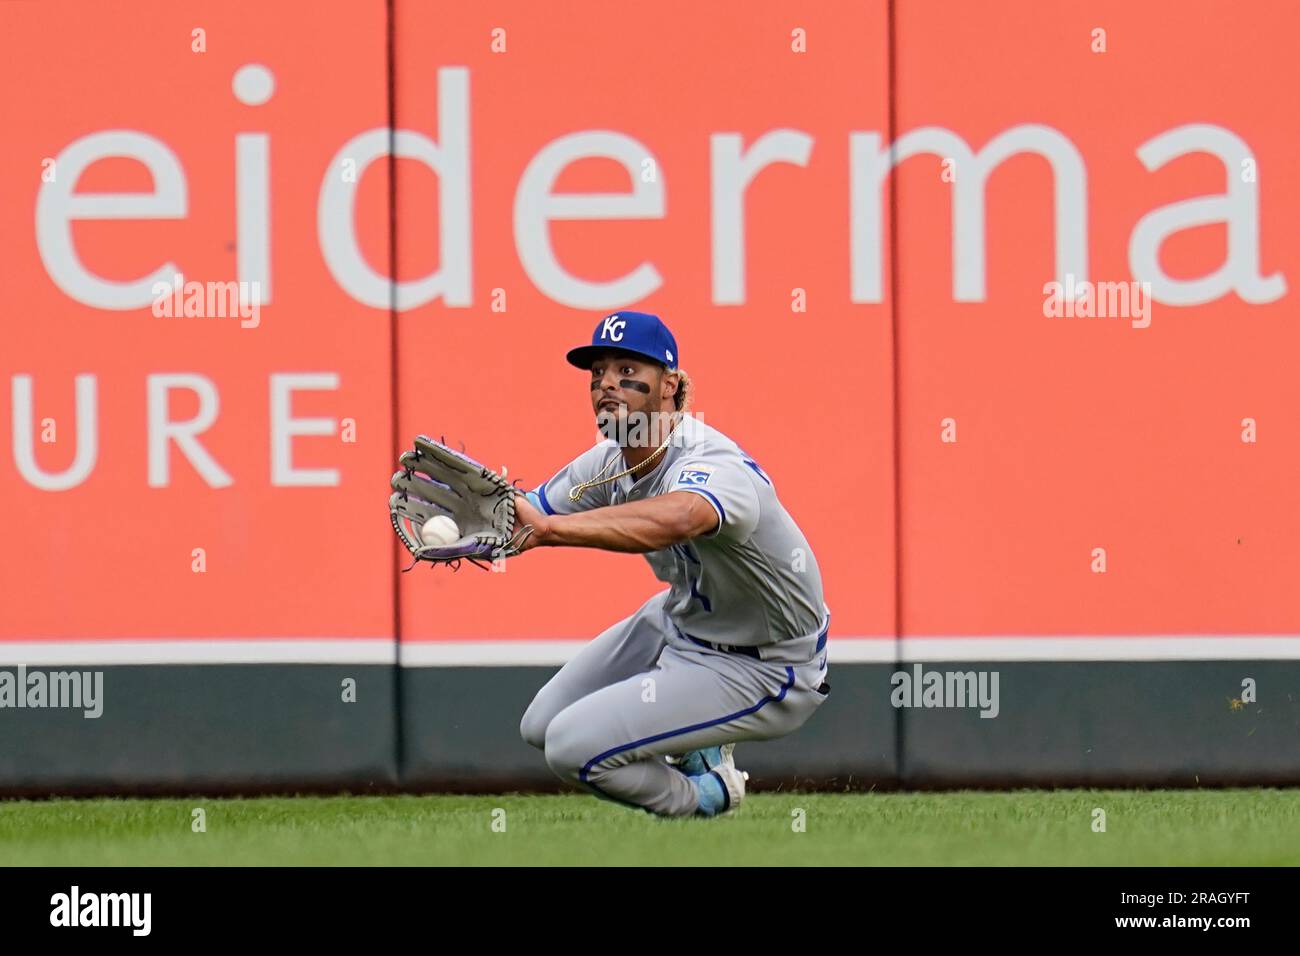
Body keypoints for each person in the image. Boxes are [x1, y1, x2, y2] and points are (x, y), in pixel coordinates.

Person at [512, 310, 831, 817]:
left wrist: (550, 532)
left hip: (765, 663)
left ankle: (708, 794)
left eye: (626, 369)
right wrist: (474, 521)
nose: (607, 384)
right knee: (540, 725)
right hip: (681, 621)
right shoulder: (609, 462)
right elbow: (527, 513)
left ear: (670, 384)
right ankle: (695, 745)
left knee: (571, 747)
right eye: (598, 373)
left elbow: (683, 515)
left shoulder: (710, 459)